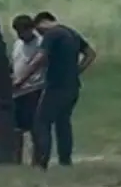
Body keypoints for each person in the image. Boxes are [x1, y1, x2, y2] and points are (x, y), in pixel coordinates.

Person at [13, 11, 98, 168]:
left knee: (41, 122)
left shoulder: (52, 35)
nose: (38, 33)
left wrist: (20, 81)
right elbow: (90, 54)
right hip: (73, 87)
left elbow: (39, 59)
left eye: (38, 30)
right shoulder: (70, 33)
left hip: (56, 87)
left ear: (41, 23)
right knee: (63, 123)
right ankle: (65, 161)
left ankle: (41, 163)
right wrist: (77, 71)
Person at [10, 14, 43, 160]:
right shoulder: (17, 44)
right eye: (18, 32)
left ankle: (38, 159)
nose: (20, 35)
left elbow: (36, 65)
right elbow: (15, 62)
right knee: (16, 129)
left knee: (36, 127)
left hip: (34, 89)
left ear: (31, 29)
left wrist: (21, 81)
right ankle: (16, 159)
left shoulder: (40, 43)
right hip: (18, 92)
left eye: (23, 31)